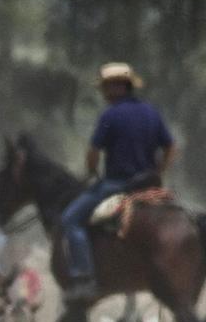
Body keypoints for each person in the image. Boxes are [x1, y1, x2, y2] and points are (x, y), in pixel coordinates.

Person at [60, 62, 176, 302]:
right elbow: (171, 147)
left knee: (70, 219)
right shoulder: (151, 112)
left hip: (117, 184)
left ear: (117, 87)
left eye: (105, 87)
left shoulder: (110, 115)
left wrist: (92, 171)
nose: (103, 93)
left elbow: (93, 152)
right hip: (150, 186)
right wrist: (159, 171)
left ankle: (84, 277)